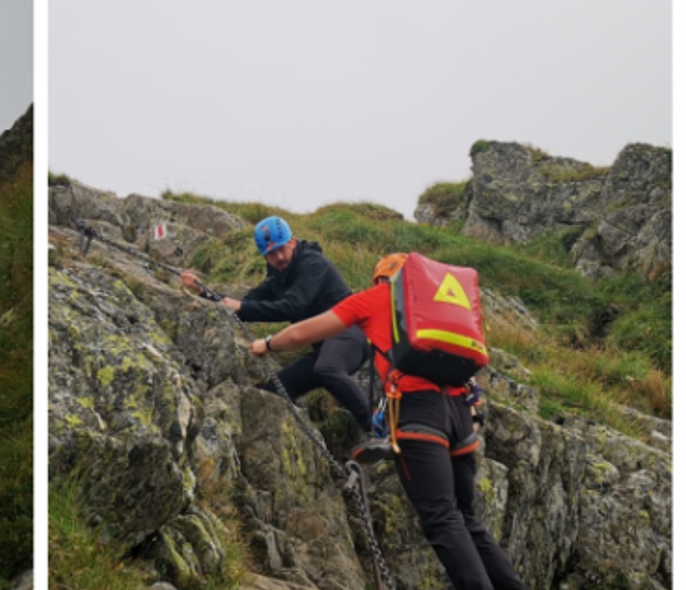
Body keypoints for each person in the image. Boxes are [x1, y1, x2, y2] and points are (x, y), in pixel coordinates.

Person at [248, 253, 527, 590]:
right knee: (467, 519)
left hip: (418, 414)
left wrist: (266, 343)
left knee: (441, 519)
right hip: (461, 416)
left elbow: (303, 333)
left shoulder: (375, 298)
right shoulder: (436, 309)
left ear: (381, 278)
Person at [181, 215, 381, 451]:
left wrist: (242, 308)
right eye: (272, 254)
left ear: (293, 242)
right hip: (324, 347)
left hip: (351, 334)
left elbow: (293, 306)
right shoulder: (277, 277)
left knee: (327, 368)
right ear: (264, 256)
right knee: (274, 391)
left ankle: (377, 430)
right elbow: (244, 304)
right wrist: (202, 292)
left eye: (282, 249)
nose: (279, 257)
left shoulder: (312, 264)